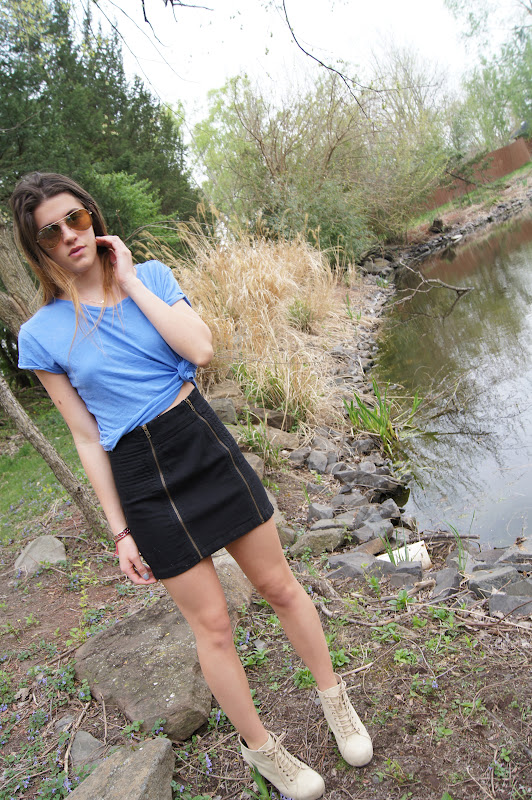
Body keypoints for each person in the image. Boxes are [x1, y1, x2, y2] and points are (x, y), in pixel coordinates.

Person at [12, 172, 373, 800]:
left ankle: (335, 701)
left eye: (76, 218)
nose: (69, 234)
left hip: (200, 440)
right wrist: (119, 530)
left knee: (279, 586)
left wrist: (128, 282)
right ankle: (263, 751)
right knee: (212, 625)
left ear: (92, 217)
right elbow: (85, 437)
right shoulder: (41, 334)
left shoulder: (150, 278)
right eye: (50, 231)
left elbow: (200, 349)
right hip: (141, 475)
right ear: (37, 247)